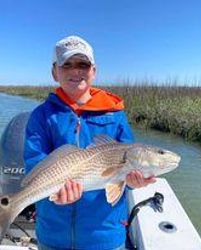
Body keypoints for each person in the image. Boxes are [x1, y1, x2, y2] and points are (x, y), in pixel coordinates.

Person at [24, 35, 156, 250]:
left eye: (83, 64)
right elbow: (34, 162)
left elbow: (124, 176)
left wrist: (133, 183)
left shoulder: (115, 116)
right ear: (54, 72)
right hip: (53, 233)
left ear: (93, 71)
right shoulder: (41, 116)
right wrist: (56, 192)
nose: (76, 71)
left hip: (105, 236)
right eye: (67, 65)